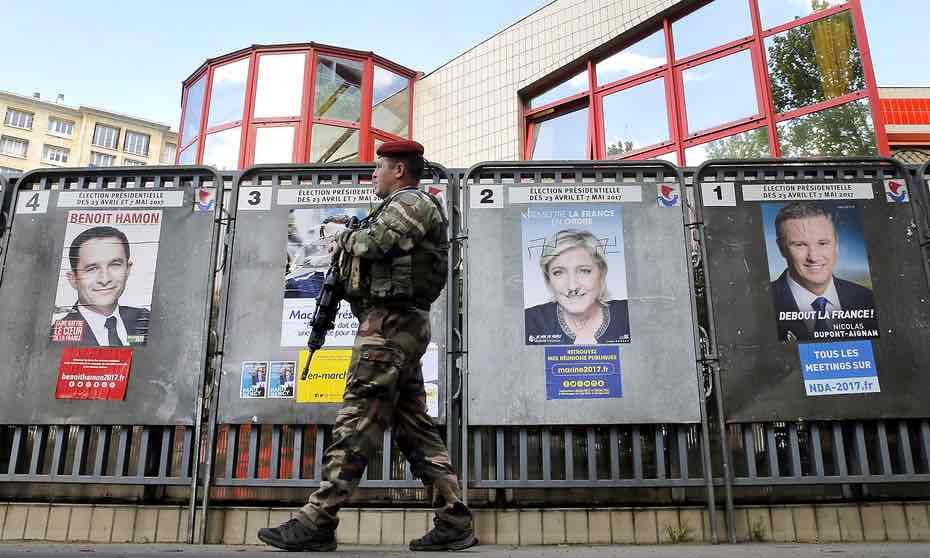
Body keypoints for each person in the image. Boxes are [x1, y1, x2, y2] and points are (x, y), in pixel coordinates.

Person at [259, 140, 477, 552]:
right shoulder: (392, 206)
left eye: (379, 167)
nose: (373, 174)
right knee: (413, 427)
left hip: (391, 326)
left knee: (357, 417)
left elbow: (374, 244)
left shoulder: (413, 202)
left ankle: (317, 518)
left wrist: (343, 237)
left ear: (399, 169)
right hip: (392, 326)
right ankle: (454, 519)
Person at [770, 202, 877, 341]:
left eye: (823, 243)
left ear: (836, 244)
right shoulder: (764, 302)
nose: (813, 257)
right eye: (800, 245)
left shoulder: (867, 298)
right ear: (781, 248)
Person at [524, 229, 630, 345]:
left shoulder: (629, 313)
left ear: (602, 274)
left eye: (584, 271)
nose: (572, 286)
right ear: (549, 279)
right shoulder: (530, 321)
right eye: (558, 272)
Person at [51, 226, 150, 346]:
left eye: (114, 264)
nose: (105, 279)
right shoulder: (55, 338)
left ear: (128, 269)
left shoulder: (145, 320)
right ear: (73, 279)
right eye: (92, 269)